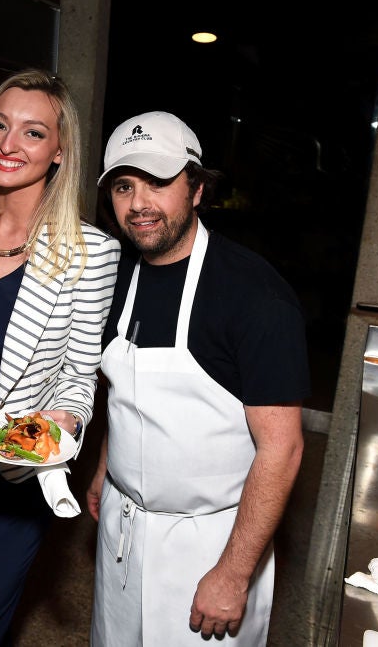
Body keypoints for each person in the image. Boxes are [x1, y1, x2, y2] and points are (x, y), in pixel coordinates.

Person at [87, 111, 309, 645]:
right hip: (124, 523)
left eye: (159, 182)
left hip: (210, 541)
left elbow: (283, 449)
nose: (138, 204)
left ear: (198, 188)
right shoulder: (117, 274)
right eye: (123, 185)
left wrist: (233, 574)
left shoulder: (256, 297)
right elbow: (127, 392)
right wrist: (104, 470)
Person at [0, 70, 120, 645]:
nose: (9, 146)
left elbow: (80, 375)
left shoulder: (91, 252)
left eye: (33, 134)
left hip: (15, 455)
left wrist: (66, 422)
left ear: (60, 151)